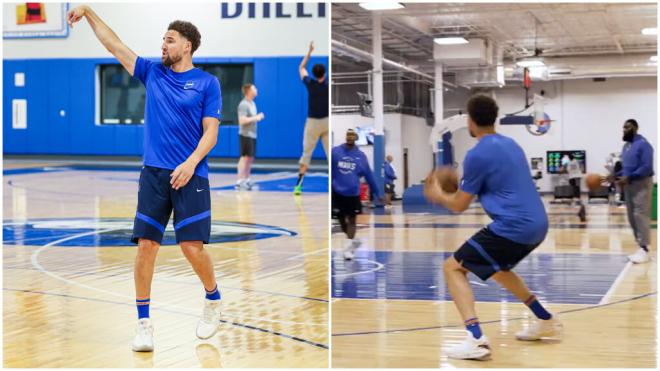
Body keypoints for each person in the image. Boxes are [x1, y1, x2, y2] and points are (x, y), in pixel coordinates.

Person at [68, 6, 223, 352]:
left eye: (170, 40)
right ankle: (143, 325)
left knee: (190, 247)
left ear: (188, 46)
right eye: (163, 39)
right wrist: (90, 12)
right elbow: (114, 45)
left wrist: (190, 162)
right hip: (153, 174)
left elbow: (211, 134)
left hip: (191, 173)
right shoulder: (152, 72)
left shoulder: (207, 84)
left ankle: (212, 298)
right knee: (146, 247)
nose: (163, 45)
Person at [424, 94, 562, 360]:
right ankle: (545, 319)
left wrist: (438, 194)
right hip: (538, 223)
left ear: (470, 120)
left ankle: (476, 339)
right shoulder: (512, 144)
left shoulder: (477, 154)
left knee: (452, 267)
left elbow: (459, 206)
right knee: (497, 269)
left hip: (514, 226)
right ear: (494, 118)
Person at [332, 129, 382, 260]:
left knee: (352, 220)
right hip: (337, 192)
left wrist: (378, 193)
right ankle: (352, 241)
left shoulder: (361, 156)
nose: (350, 137)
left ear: (356, 138)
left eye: (352, 135)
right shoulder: (335, 152)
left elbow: (369, 176)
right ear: (345, 137)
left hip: (353, 194)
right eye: (348, 135)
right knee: (341, 219)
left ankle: (348, 248)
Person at [615, 119, 654, 264]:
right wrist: (615, 175)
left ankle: (645, 249)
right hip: (629, 185)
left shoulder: (643, 145)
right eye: (623, 127)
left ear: (636, 128)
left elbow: (647, 167)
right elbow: (626, 167)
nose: (625, 129)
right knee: (631, 216)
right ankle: (640, 247)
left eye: (628, 127)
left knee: (640, 214)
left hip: (641, 183)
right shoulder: (626, 146)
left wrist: (629, 176)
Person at [294, 41, 329, 195]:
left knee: (306, 154)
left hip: (313, 123)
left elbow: (301, 68)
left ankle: (298, 186)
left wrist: (309, 52)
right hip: (327, 122)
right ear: (324, 73)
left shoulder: (310, 83)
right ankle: (334, 185)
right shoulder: (328, 85)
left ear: (314, 74)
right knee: (330, 155)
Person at [236, 83, 264, 190]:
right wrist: (256, 117)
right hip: (245, 135)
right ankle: (239, 181)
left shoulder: (252, 103)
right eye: (254, 88)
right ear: (248, 91)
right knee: (244, 158)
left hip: (252, 134)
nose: (256, 90)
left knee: (250, 158)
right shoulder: (244, 104)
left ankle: (246, 180)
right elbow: (242, 121)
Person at [566, 154, 586, 222]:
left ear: (569, 158)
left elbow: (568, 170)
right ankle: (578, 198)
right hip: (577, 176)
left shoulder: (569, 163)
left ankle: (575, 198)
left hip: (572, 177)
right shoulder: (577, 161)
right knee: (577, 187)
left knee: (573, 188)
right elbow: (581, 168)